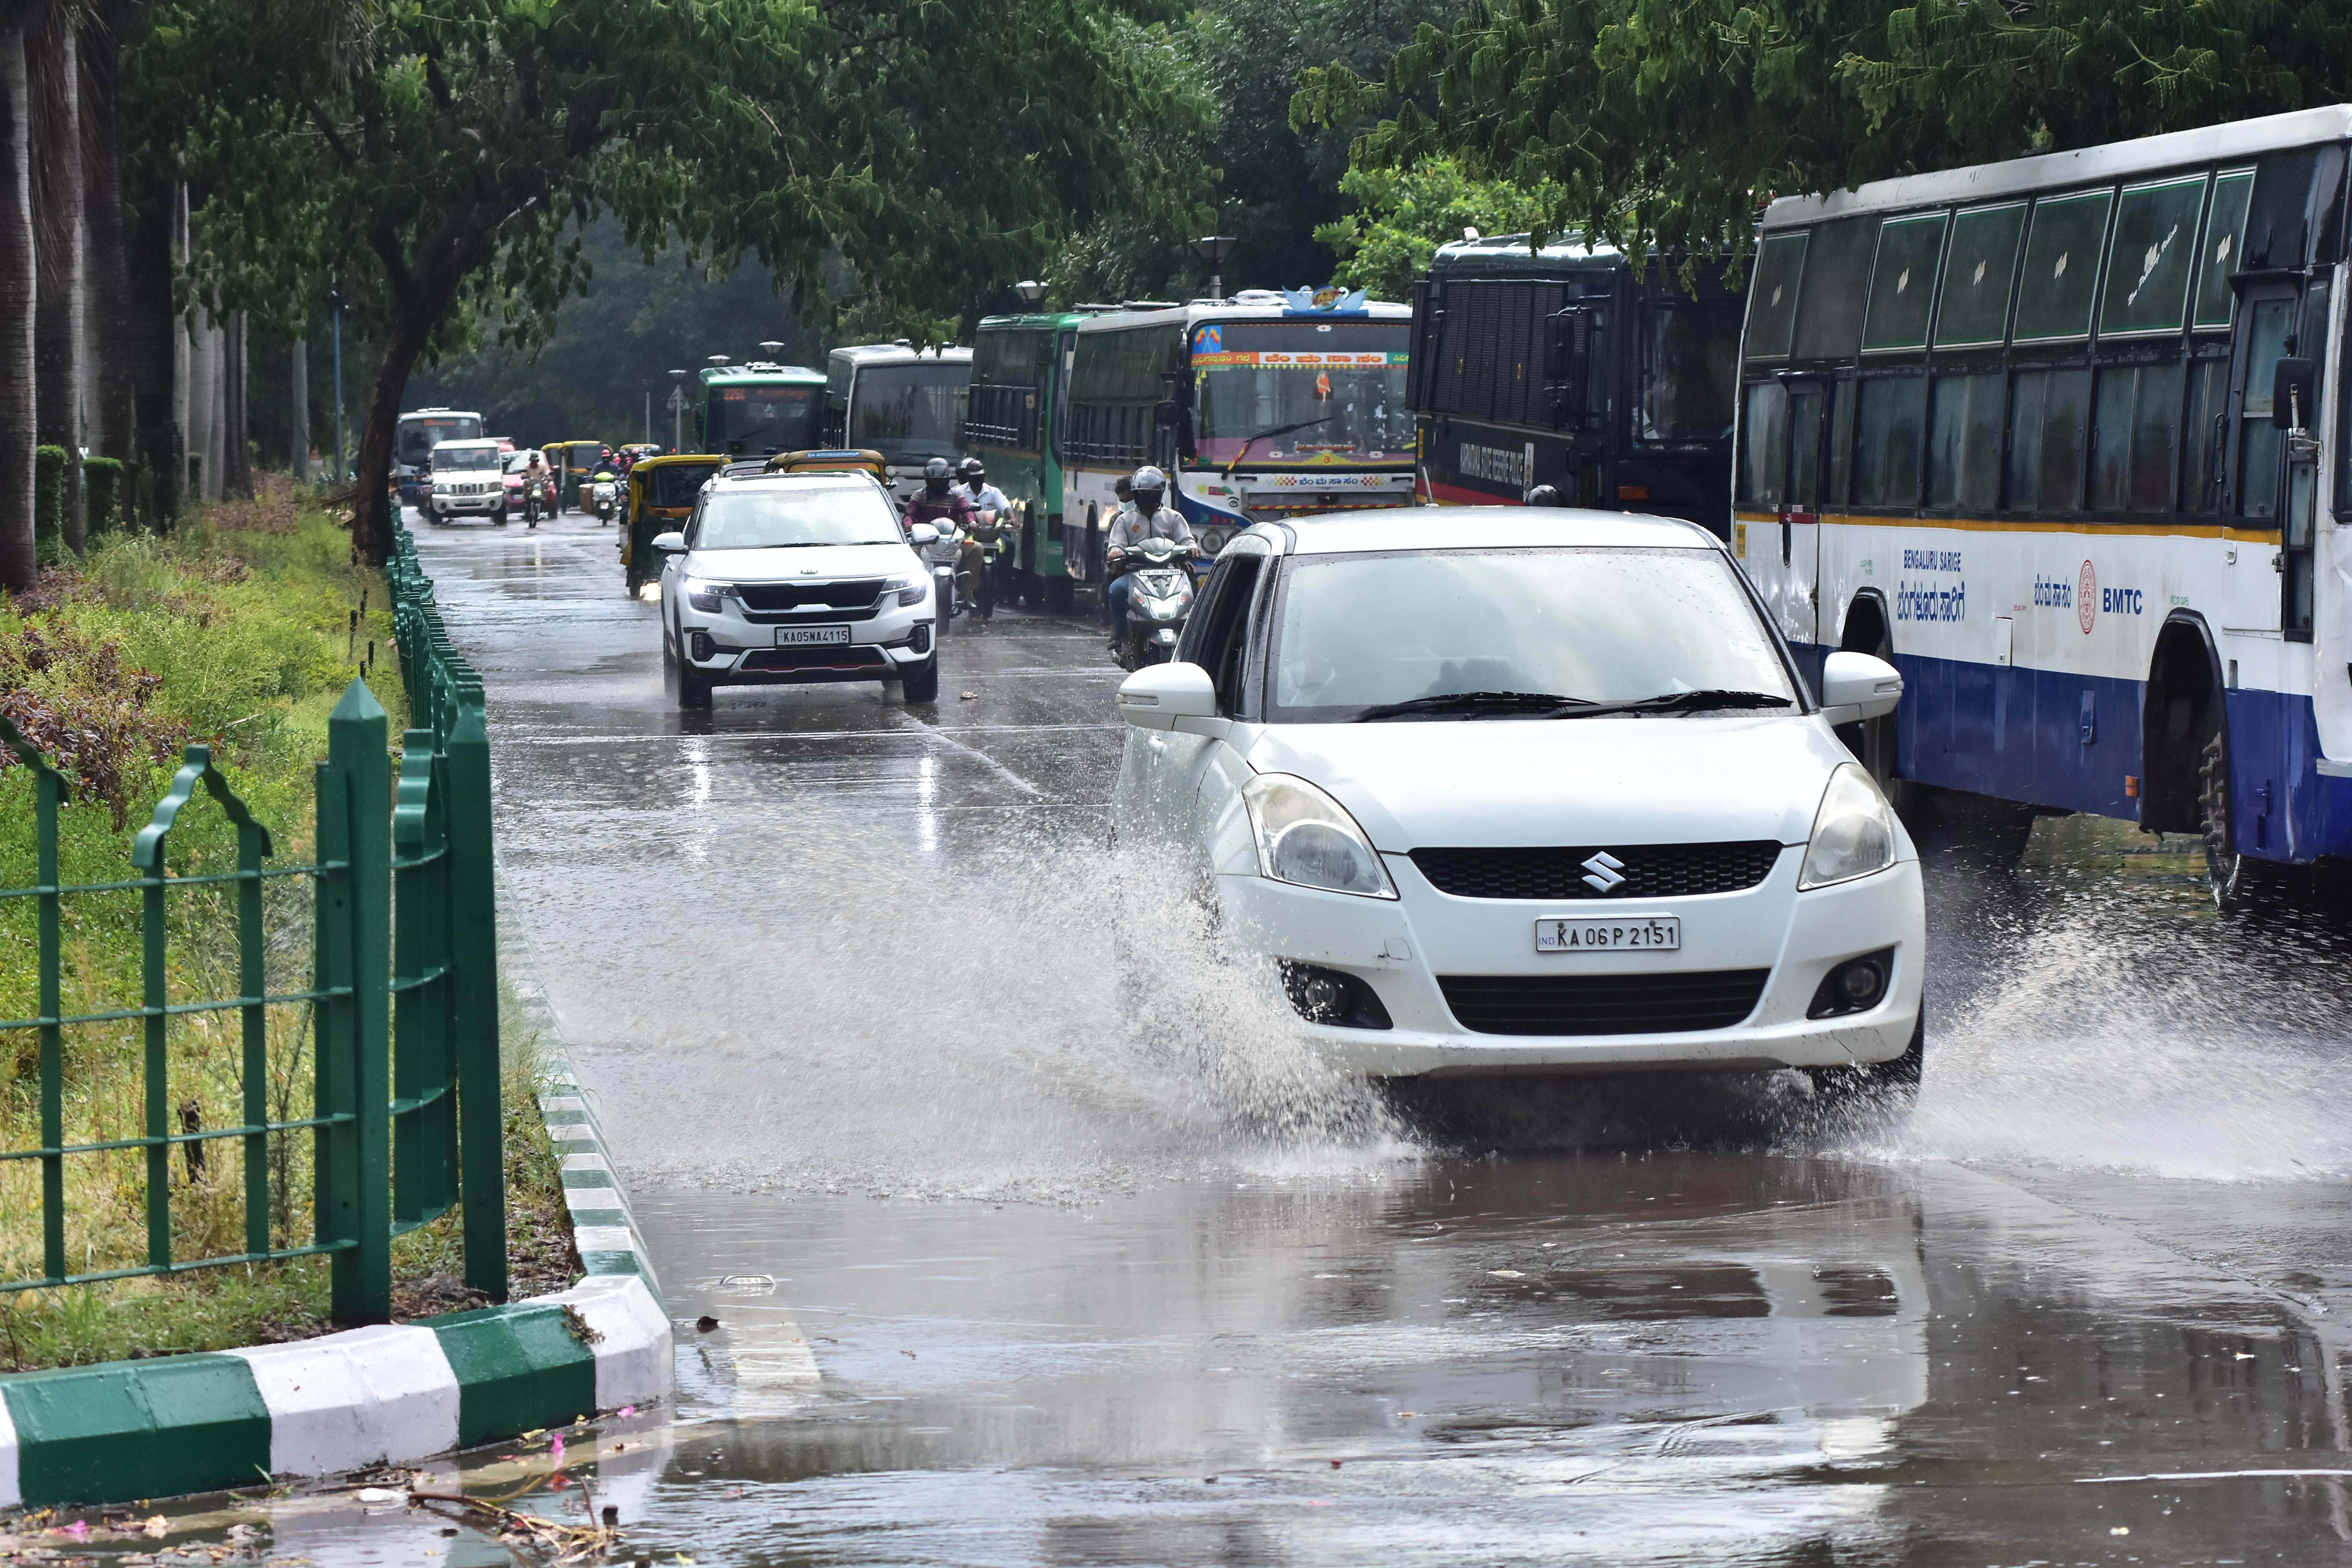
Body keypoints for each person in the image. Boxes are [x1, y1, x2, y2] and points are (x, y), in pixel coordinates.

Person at [1105, 465, 1196, 651]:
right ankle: (1121, 635)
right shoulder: (1124, 520)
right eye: (1143, 493)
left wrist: (1191, 548)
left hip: (1170, 572)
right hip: (1134, 574)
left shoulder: (1173, 517)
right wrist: (1116, 552)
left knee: (1193, 586)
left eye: (1151, 493)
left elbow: (1186, 539)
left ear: (1160, 494)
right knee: (1115, 590)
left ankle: (1193, 632)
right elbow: (1116, 545)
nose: (1147, 498)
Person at [958, 458, 1016, 618]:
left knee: (1010, 545)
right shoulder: (959, 492)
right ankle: (962, 581)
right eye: (974, 477)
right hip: (969, 533)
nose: (977, 480)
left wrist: (1012, 519)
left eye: (980, 476)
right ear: (968, 477)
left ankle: (1004, 583)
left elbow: (1005, 506)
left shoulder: (993, 492)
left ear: (984, 477)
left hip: (992, 533)